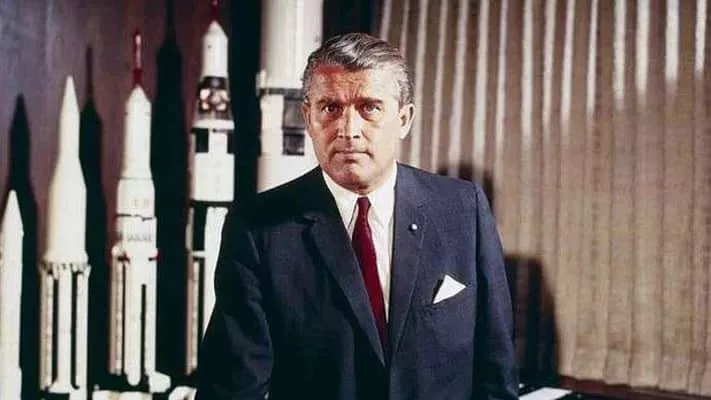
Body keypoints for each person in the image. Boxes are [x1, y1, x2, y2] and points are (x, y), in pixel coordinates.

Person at [196, 32, 518, 399]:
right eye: (330, 108)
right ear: (308, 118)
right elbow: (231, 391)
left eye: (369, 107)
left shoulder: (462, 210)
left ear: (404, 119)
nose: (348, 131)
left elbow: (497, 375)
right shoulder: (258, 229)